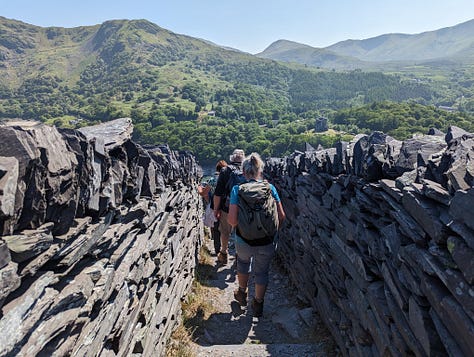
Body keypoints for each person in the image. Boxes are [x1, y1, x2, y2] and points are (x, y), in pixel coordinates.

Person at [227, 152, 286, 317]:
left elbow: (232, 220)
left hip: (243, 239)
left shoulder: (237, 190)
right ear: (260, 171)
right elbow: (281, 216)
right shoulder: (270, 188)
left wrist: (244, 227)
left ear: (244, 172)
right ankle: (258, 303)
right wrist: (272, 233)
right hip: (266, 240)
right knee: (262, 272)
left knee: (243, 264)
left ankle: (242, 292)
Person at [213, 149, 245, 265]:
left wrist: (216, 209)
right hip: (244, 207)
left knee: (225, 231)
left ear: (231, 158)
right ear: (243, 159)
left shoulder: (225, 170)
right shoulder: (247, 169)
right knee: (240, 232)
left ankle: (223, 253)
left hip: (228, 207)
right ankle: (239, 255)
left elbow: (218, 193)